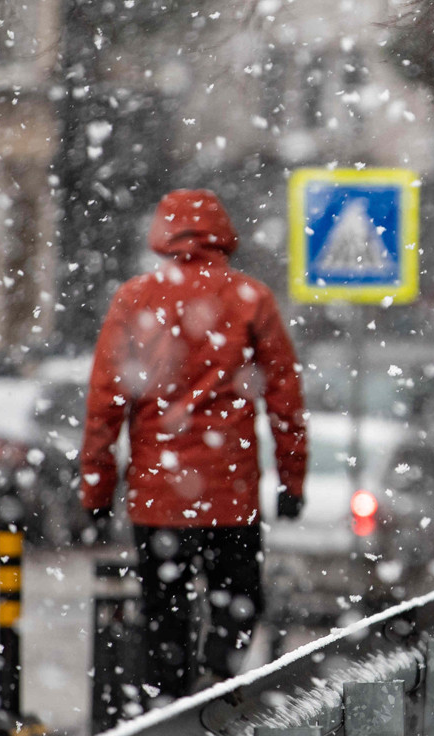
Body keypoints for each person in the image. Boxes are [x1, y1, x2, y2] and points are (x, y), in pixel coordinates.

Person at [80, 188, 307, 702]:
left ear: (163, 234)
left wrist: (95, 491)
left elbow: (104, 405)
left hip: (159, 497)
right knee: (238, 603)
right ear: (223, 235)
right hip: (231, 495)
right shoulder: (252, 299)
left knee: (164, 611)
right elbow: (286, 401)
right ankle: (218, 687)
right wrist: (292, 482)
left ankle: (171, 708)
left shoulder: (135, 299)